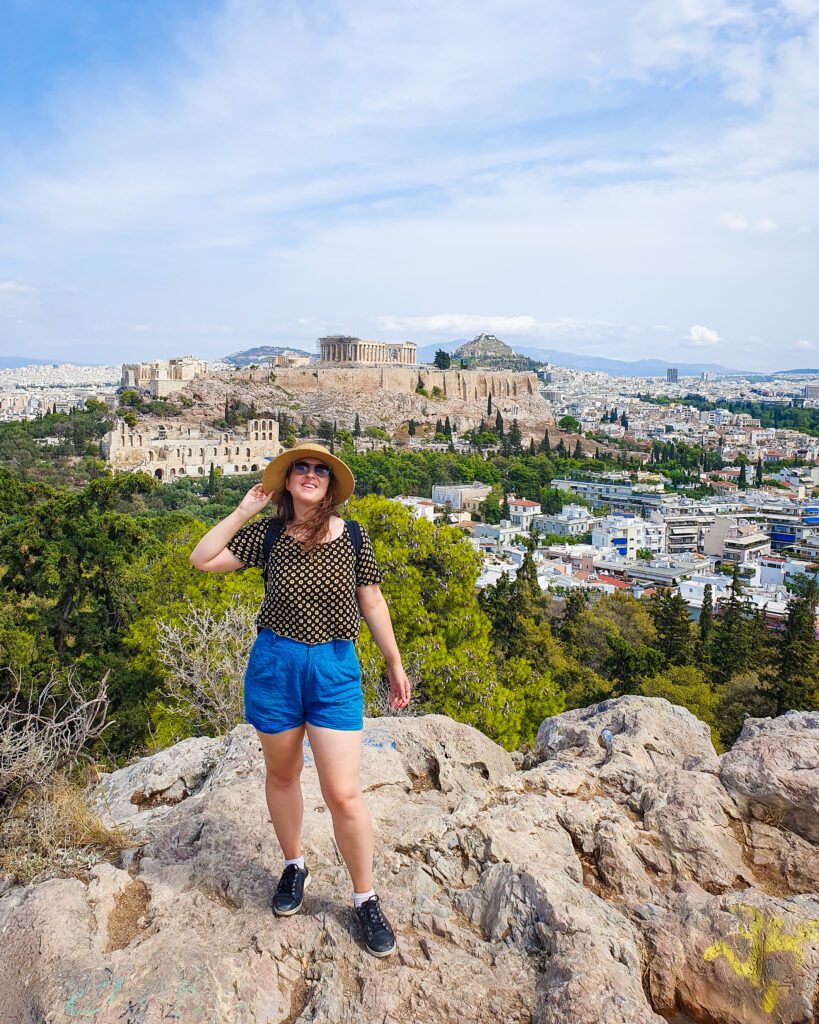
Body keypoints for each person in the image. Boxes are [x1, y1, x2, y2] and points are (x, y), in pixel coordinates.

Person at [189, 442, 411, 957]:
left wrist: (394, 663)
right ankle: (294, 865)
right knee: (283, 775)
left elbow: (372, 600)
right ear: (287, 482)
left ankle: (365, 897)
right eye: (301, 468)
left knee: (343, 793)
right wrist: (246, 508)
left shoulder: (353, 535)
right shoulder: (266, 535)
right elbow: (202, 559)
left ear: (331, 485)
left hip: (334, 667)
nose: (310, 474)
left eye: (320, 470)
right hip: (276, 665)